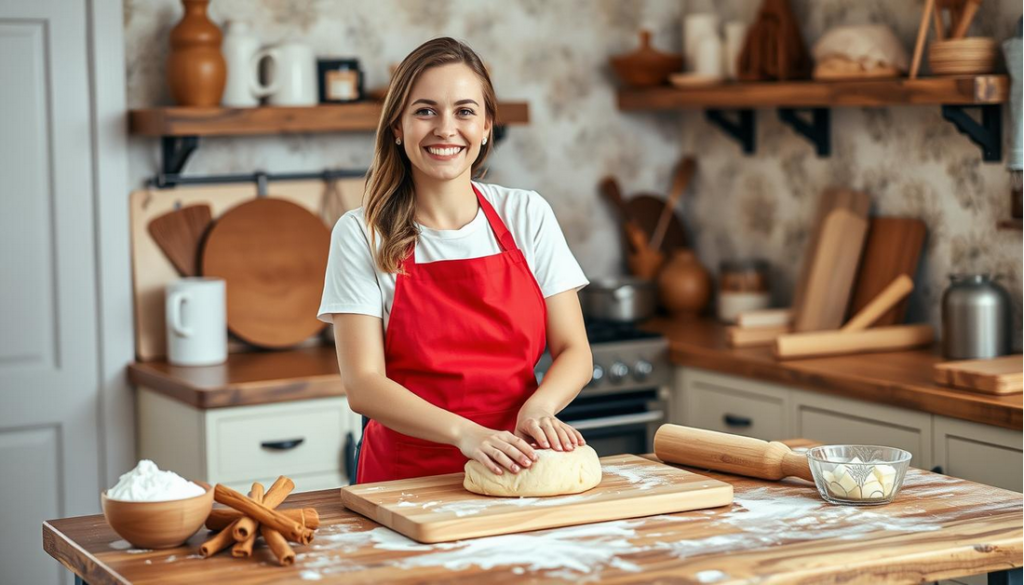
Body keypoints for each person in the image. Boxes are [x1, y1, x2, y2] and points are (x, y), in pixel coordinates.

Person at [318, 37, 592, 484]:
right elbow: (363, 384)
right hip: (406, 478)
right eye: (425, 111)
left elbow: (574, 351)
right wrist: (467, 435)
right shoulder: (362, 233)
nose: (446, 128)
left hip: (516, 466)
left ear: (486, 127)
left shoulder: (526, 215)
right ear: (397, 128)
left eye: (464, 111)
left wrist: (538, 408)